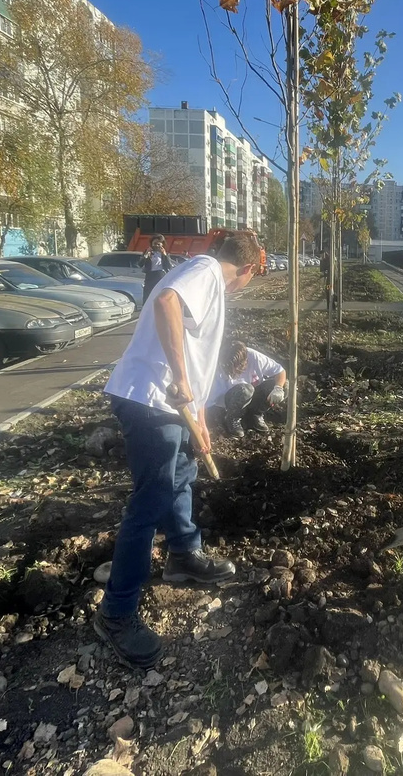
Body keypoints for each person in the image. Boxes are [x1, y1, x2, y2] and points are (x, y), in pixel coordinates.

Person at [95, 233, 263, 668]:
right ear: (248, 268)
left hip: (168, 405)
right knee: (149, 501)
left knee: (182, 474)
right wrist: (182, 381)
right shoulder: (206, 271)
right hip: (151, 400)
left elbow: (194, 348)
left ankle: (184, 556)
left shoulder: (205, 274)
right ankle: (116, 613)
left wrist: (199, 414)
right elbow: (166, 302)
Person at [209, 339, 287, 438]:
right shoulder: (218, 365)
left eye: (237, 367)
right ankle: (232, 418)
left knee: (284, 385)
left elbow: (280, 371)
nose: (234, 371)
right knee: (245, 390)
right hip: (230, 400)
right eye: (230, 368)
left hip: (252, 397)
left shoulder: (253, 357)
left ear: (245, 360)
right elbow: (209, 398)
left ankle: (255, 414)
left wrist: (278, 388)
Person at [141, 234, 173, 304]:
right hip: (150, 276)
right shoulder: (148, 252)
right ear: (151, 244)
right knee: (148, 296)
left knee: (159, 296)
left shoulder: (164, 254)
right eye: (155, 244)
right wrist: (146, 254)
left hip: (160, 275)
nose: (156, 246)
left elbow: (169, 266)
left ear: (162, 245)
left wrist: (164, 255)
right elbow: (140, 264)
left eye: (158, 244)